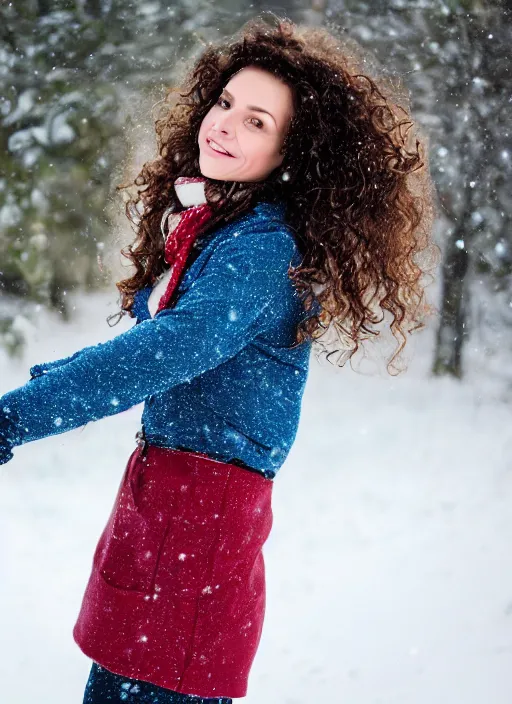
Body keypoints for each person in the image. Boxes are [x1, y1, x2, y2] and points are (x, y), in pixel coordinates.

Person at [0, 14, 438, 704]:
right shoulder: (225, 227)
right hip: (171, 511)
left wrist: (13, 416)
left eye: (258, 121)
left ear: (292, 153)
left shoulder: (261, 252)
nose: (225, 124)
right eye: (226, 103)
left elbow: (162, 351)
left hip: (195, 526)